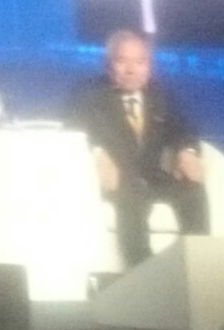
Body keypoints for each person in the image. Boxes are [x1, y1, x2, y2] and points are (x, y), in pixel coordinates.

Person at [69, 28, 210, 269]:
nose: (131, 70)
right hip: (116, 183)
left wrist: (187, 152)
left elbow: (184, 130)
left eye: (140, 62)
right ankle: (142, 271)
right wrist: (97, 153)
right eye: (122, 61)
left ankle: (199, 265)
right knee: (131, 196)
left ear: (149, 67)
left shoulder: (160, 95)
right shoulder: (89, 96)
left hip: (153, 179)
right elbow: (74, 130)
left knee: (192, 191)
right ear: (108, 64)